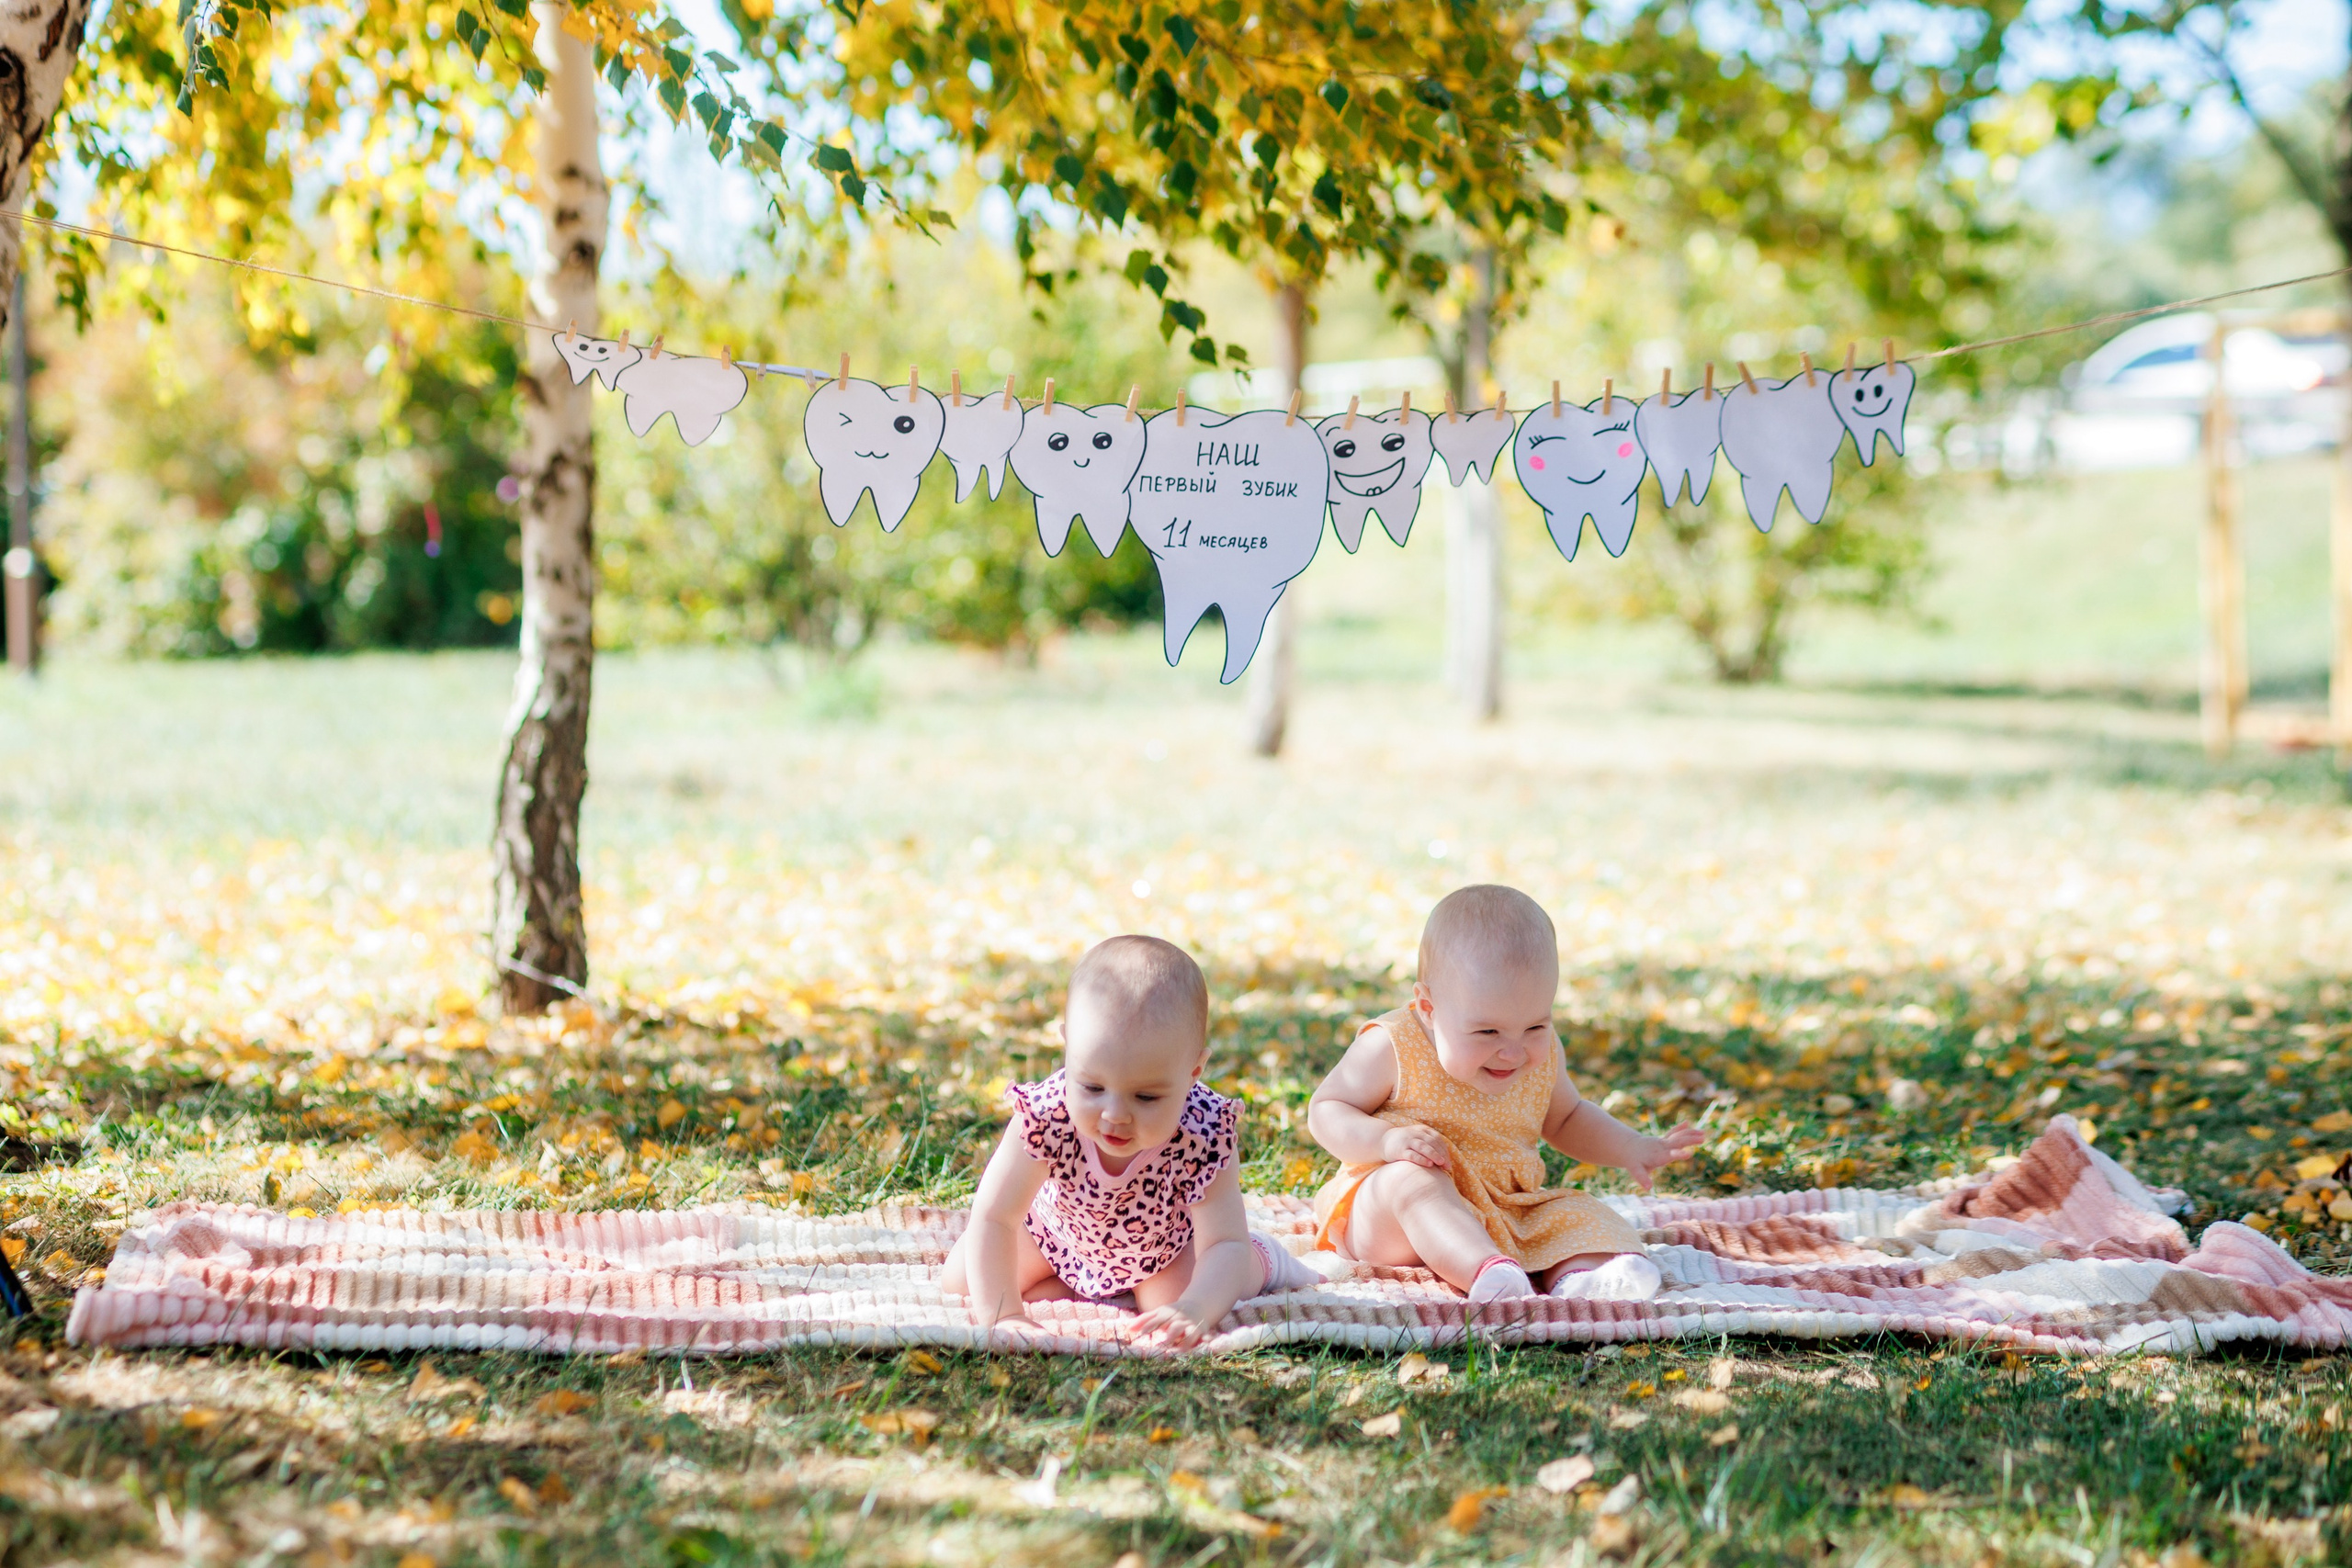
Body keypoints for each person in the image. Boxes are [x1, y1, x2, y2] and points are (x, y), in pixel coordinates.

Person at [1306, 885, 1702, 1302]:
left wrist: (1629, 1146)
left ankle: (1583, 1279)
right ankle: (1488, 1273)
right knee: (1412, 1184)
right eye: (1487, 1031)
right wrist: (1384, 1141)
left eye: (1535, 1026)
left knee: (1577, 1213)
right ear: (1428, 1007)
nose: (1513, 1051)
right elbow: (1327, 1108)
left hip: (1508, 1208)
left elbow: (1566, 1118)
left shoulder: (1541, 1053)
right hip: (1389, 1214)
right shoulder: (1393, 1045)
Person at [943, 933, 1319, 1346]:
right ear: (1069, 1048)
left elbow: (1223, 1242)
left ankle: (1264, 1261)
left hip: (1162, 1250)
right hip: (1059, 1238)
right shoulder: (1046, 1114)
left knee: (1176, 1299)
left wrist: (1195, 1308)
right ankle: (1094, 1289)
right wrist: (1004, 1315)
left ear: (1193, 1072)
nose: (1115, 1115)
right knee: (963, 1277)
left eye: (1146, 1097)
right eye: (1091, 1087)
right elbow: (995, 1216)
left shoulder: (1202, 1131)